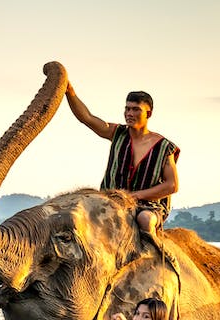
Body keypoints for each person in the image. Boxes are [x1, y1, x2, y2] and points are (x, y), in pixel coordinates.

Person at [65, 82, 180, 246]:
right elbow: (87, 118)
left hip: (147, 206)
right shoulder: (117, 133)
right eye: (127, 109)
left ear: (149, 113)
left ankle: (152, 256)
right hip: (111, 201)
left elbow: (172, 185)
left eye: (135, 109)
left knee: (145, 220)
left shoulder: (164, 147)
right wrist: (69, 92)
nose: (129, 113)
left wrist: (136, 196)